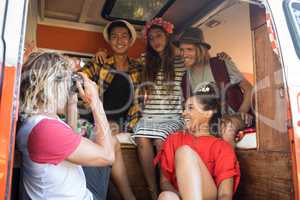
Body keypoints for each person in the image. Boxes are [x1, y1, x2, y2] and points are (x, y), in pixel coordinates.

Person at [17, 52, 114, 200]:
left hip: (77, 189)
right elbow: (107, 156)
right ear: (53, 86)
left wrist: (72, 103)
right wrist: (96, 101)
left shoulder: (36, 119)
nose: (68, 87)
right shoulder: (46, 130)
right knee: (109, 146)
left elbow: (71, 139)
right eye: (66, 82)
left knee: (111, 143)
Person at [79, 19, 139, 200]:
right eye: (114, 36)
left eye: (123, 36)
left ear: (130, 40)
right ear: (109, 41)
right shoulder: (100, 62)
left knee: (108, 137)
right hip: (98, 114)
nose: (119, 40)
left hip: (124, 117)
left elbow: (139, 101)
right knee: (104, 137)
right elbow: (80, 76)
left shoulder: (139, 66)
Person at [130, 18, 186, 199]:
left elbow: (199, 57)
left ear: (168, 36)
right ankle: (152, 190)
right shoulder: (147, 60)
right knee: (141, 137)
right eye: (151, 38)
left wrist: (222, 57)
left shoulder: (181, 59)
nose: (156, 41)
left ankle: (165, 186)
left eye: (159, 36)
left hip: (173, 115)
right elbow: (126, 65)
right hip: (151, 114)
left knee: (162, 139)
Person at [155, 83, 241, 200]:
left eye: (190, 108)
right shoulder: (173, 140)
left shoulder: (221, 147)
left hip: (209, 196)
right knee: (166, 196)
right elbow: (165, 182)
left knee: (184, 152)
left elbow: (225, 194)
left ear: (208, 113)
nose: (183, 113)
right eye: (184, 108)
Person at [178, 27, 254, 144]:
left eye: (189, 49)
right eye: (181, 50)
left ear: (200, 50)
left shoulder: (221, 63)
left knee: (227, 128)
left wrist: (242, 112)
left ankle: (227, 162)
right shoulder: (185, 79)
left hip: (233, 116)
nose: (184, 54)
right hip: (208, 121)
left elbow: (249, 88)